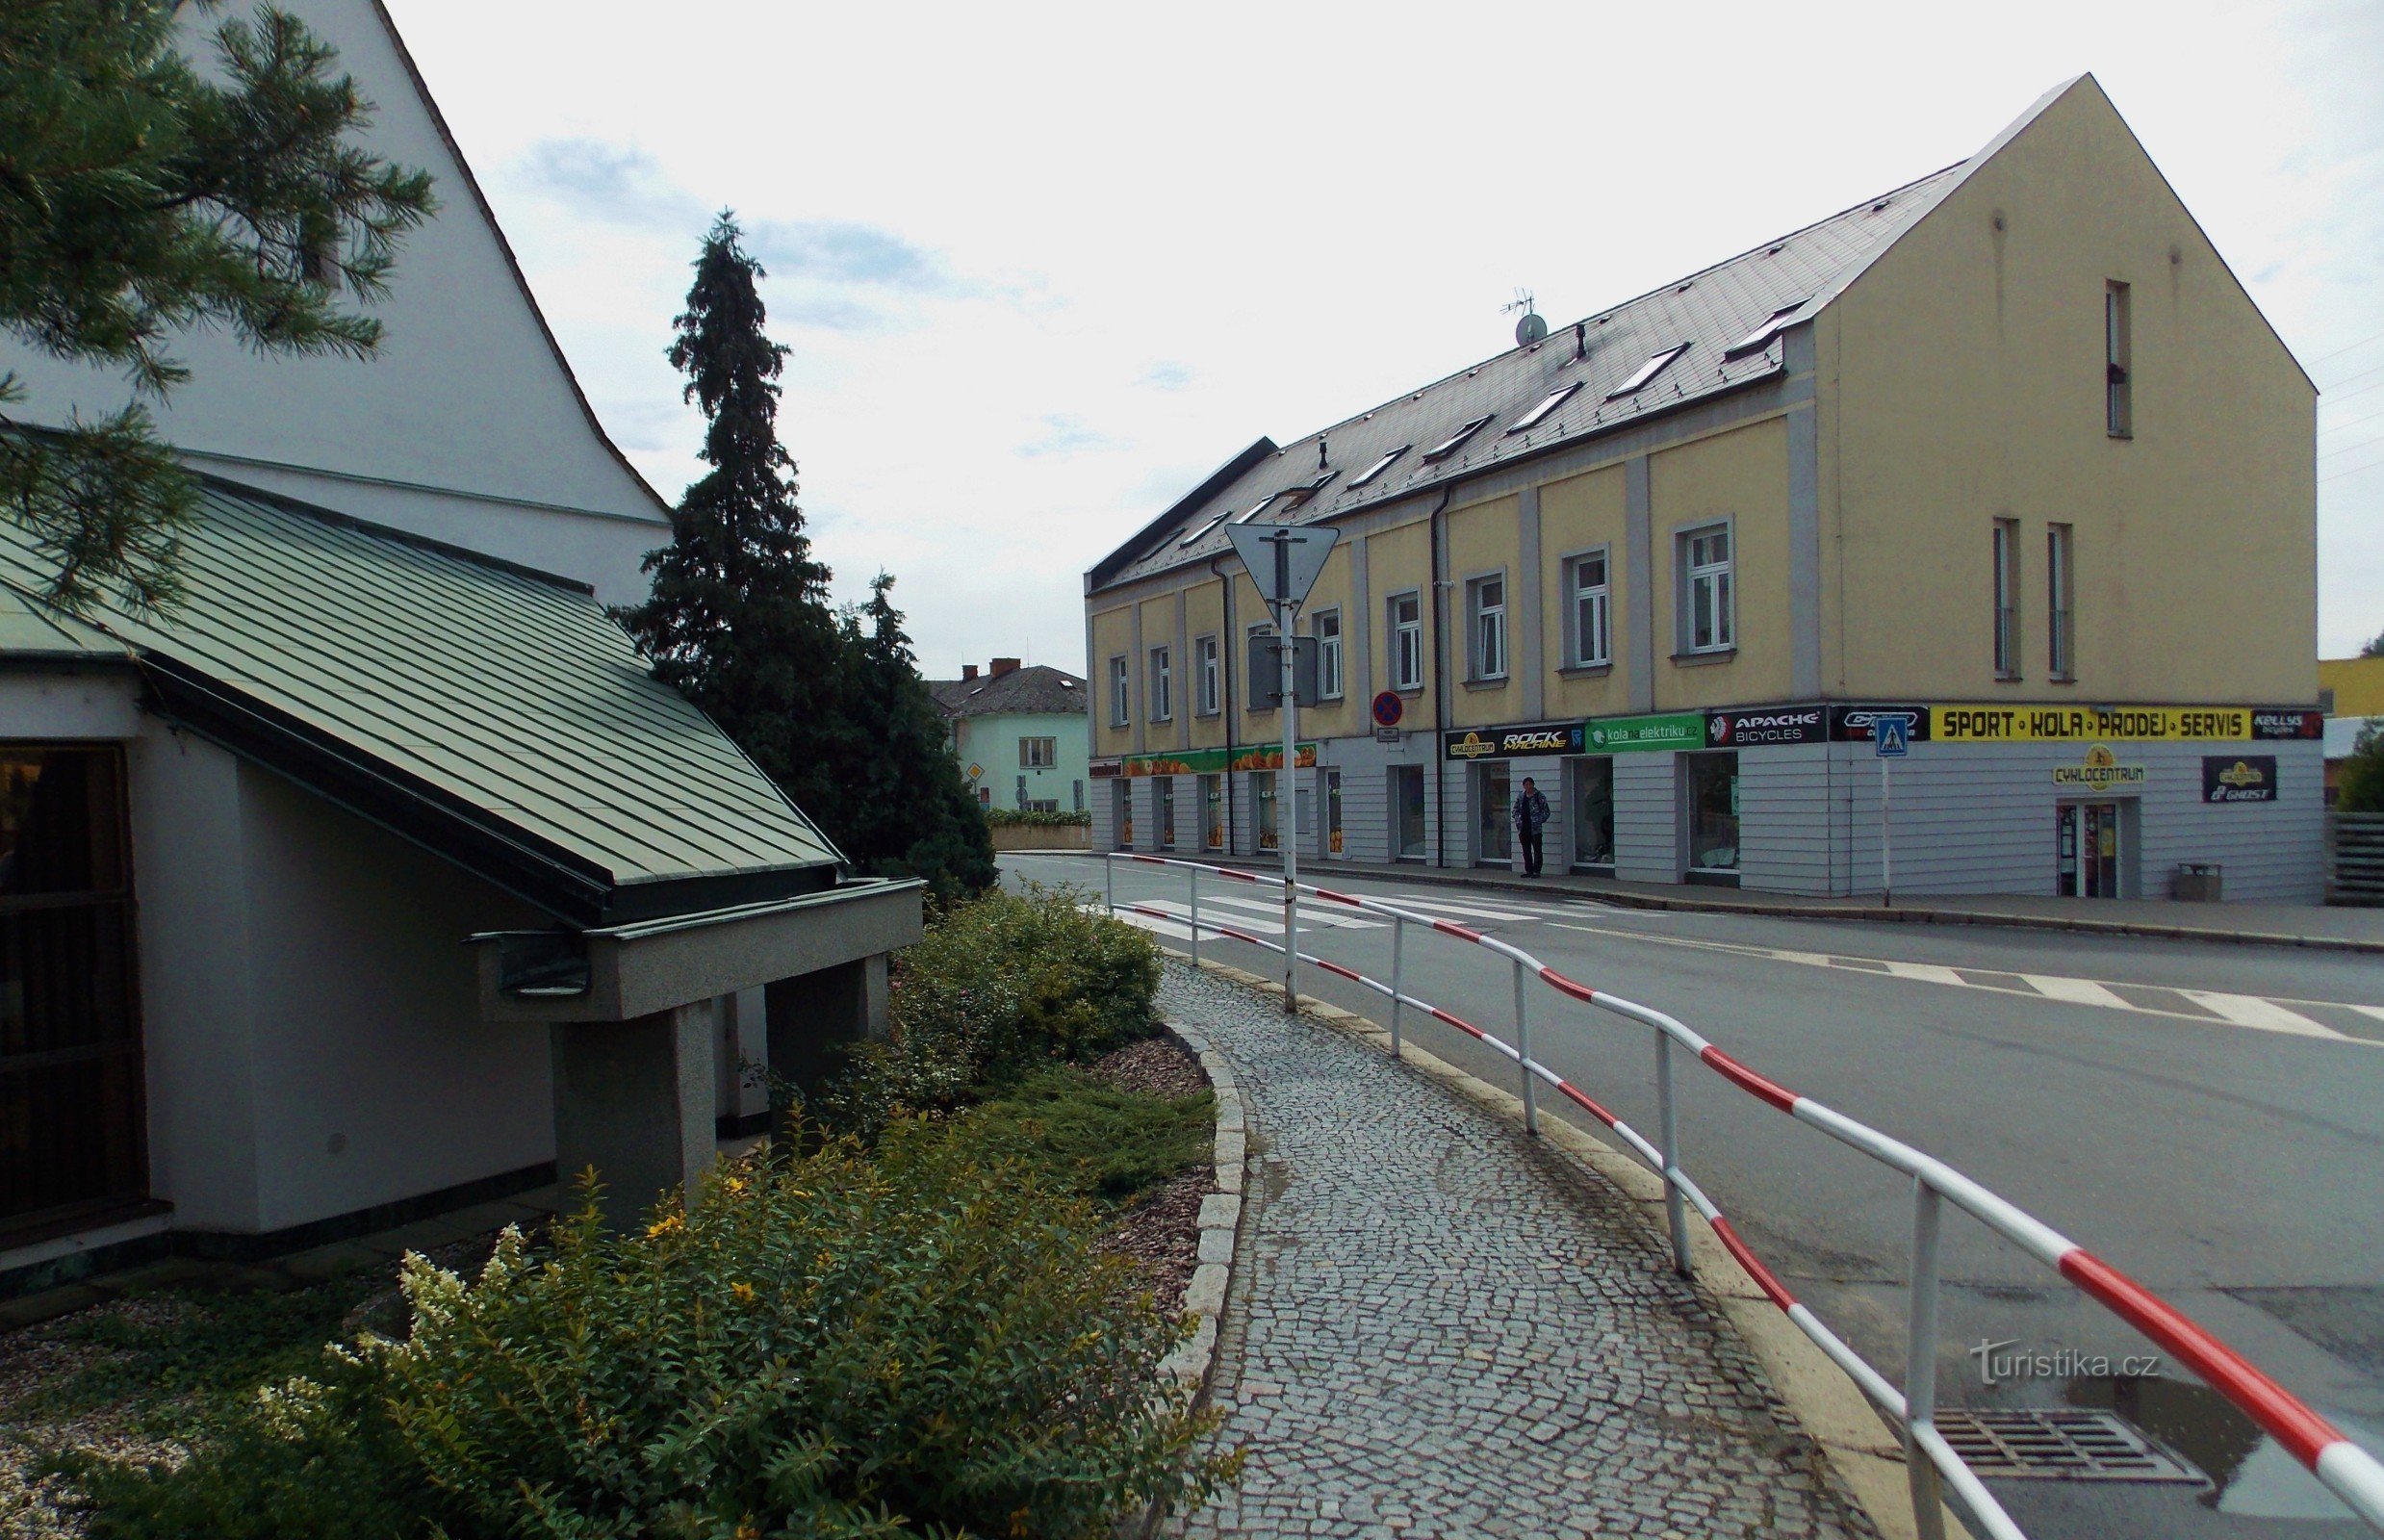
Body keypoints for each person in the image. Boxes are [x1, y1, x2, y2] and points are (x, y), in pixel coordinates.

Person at [1512, 775, 1551, 877]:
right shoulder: (1521, 796)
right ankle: (1528, 870)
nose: (1528, 786)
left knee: (1537, 849)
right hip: (1523, 828)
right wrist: (1517, 819)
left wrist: (1539, 820)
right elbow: (1515, 810)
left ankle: (1537, 870)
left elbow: (1546, 811)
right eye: (1526, 784)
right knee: (1526, 849)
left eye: (1530, 784)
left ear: (1533, 785)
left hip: (1535, 828)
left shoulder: (1539, 796)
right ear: (1524, 786)